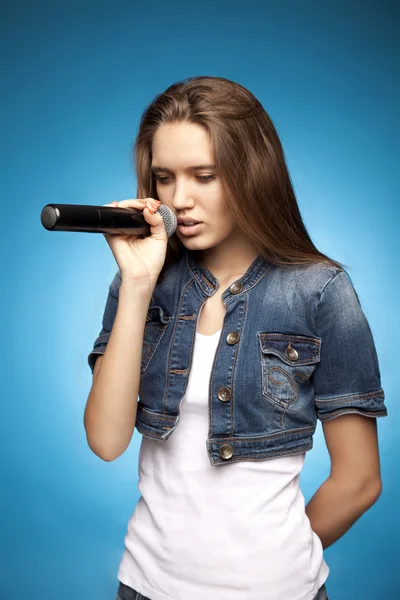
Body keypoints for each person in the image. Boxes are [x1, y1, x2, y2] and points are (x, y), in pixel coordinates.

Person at [84, 76, 388, 600]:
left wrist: (272, 561)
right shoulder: (141, 279)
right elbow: (107, 441)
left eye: (205, 176)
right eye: (164, 178)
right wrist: (137, 285)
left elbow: (360, 481)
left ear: (253, 174)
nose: (181, 200)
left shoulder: (320, 292)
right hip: (144, 587)